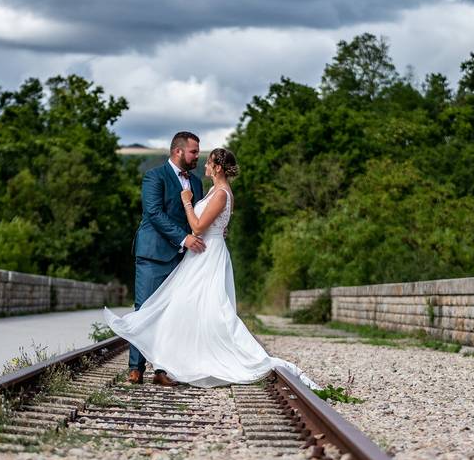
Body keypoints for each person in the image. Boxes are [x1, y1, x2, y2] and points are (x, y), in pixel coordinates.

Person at [105, 147, 319, 390]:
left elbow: (197, 227)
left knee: (210, 309)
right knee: (190, 308)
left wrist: (187, 203)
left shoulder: (220, 194)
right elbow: (211, 223)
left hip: (207, 254)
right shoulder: (214, 191)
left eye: (209, 163)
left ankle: (214, 360)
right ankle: (170, 363)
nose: (204, 165)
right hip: (202, 252)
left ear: (218, 167)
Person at [124, 131, 206, 385]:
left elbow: (199, 216)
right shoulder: (154, 176)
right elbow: (154, 213)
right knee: (145, 310)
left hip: (183, 260)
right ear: (178, 151)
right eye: (193, 151)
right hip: (153, 254)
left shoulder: (197, 182)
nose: (197, 156)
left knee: (172, 315)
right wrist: (184, 238)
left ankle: (162, 370)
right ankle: (135, 368)